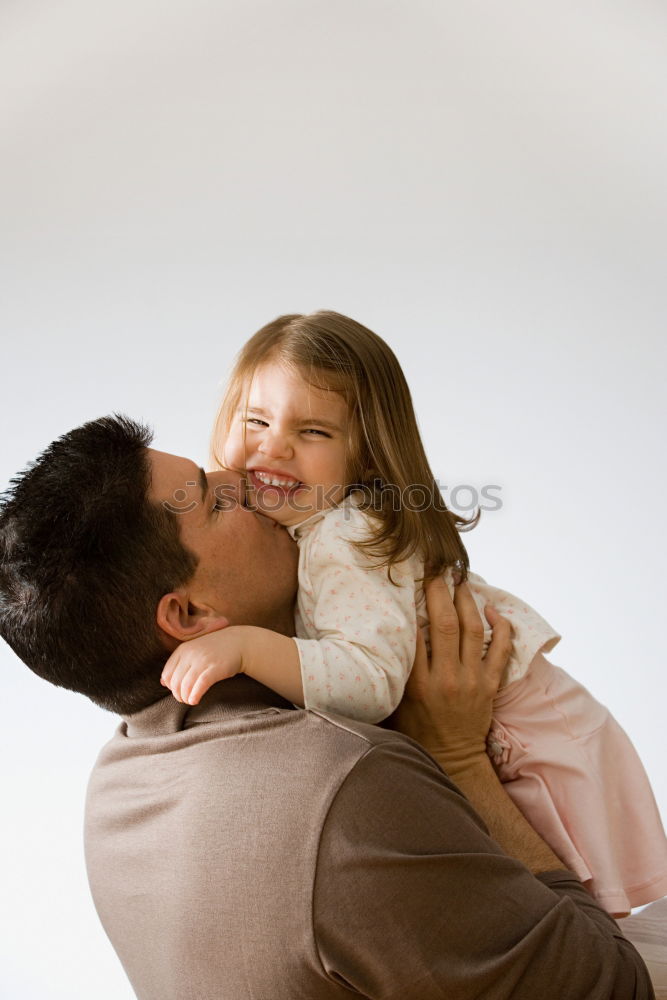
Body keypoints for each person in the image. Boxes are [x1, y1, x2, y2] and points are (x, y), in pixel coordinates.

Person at [0, 414, 655, 998]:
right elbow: (609, 985)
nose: (239, 476)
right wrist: (456, 757)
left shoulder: (114, 792)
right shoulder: (344, 781)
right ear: (192, 613)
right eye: (212, 499)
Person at [160, 311, 667, 918]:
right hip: (514, 727)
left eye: (315, 432)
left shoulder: (345, 536)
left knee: (566, 926)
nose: (274, 446)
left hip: (527, 737)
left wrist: (243, 646)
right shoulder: (307, 527)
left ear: (368, 460)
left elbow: (369, 682)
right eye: (257, 420)